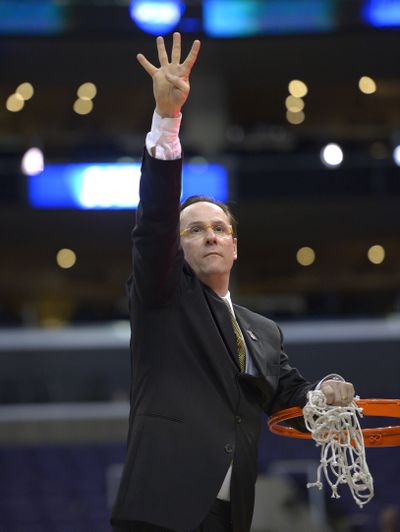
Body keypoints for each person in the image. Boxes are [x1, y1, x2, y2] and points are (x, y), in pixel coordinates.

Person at [111, 33, 355, 532]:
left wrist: (327, 391)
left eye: (220, 228)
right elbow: (155, 223)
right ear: (178, 249)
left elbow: (292, 394)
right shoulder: (162, 299)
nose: (210, 237)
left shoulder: (263, 332)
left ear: (236, 246)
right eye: (195, 230)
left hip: (232, 514)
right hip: (160, 511)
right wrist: (167, 121)